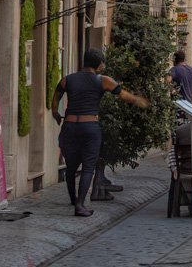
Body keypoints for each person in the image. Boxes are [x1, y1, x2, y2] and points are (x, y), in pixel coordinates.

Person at [51, 48, 150, 217]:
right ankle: (80, 205)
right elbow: (124, 95)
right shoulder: (103, 80)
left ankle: (74, 199)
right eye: (102, 62)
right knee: (88, 166)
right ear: (98, 64)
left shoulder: (68, 79)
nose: (104, 65)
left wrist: (55, 113)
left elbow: (56, 95)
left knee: (71, 166)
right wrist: (139, 101)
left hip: (69, 126)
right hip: (90, 127)